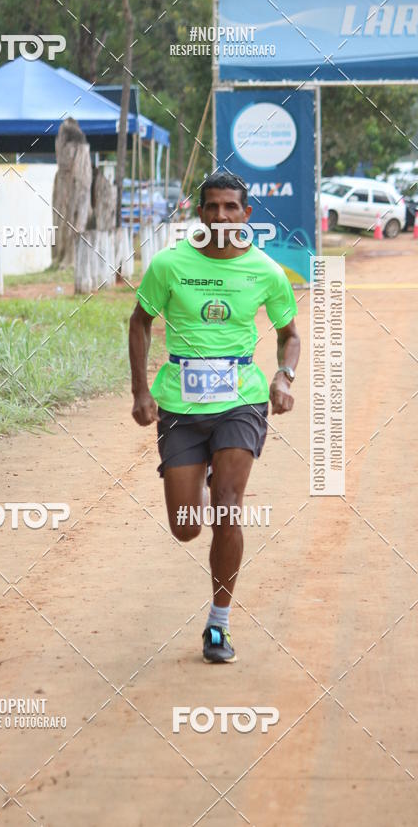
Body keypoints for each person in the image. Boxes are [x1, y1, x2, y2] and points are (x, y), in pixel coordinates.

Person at [129, 172, 300, 663]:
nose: (222, 217)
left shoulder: (265, 271)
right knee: (186, 525)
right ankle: (200, 475)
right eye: (213, 208)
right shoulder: (168, 266)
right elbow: (140, 321)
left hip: (241, 400)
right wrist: (141, 390)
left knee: (227, 505)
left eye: (231, 208)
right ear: (199, 214)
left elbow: (291, 334)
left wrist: (284, 376)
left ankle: (219, 624)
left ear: (247, 215)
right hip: (180, 406)